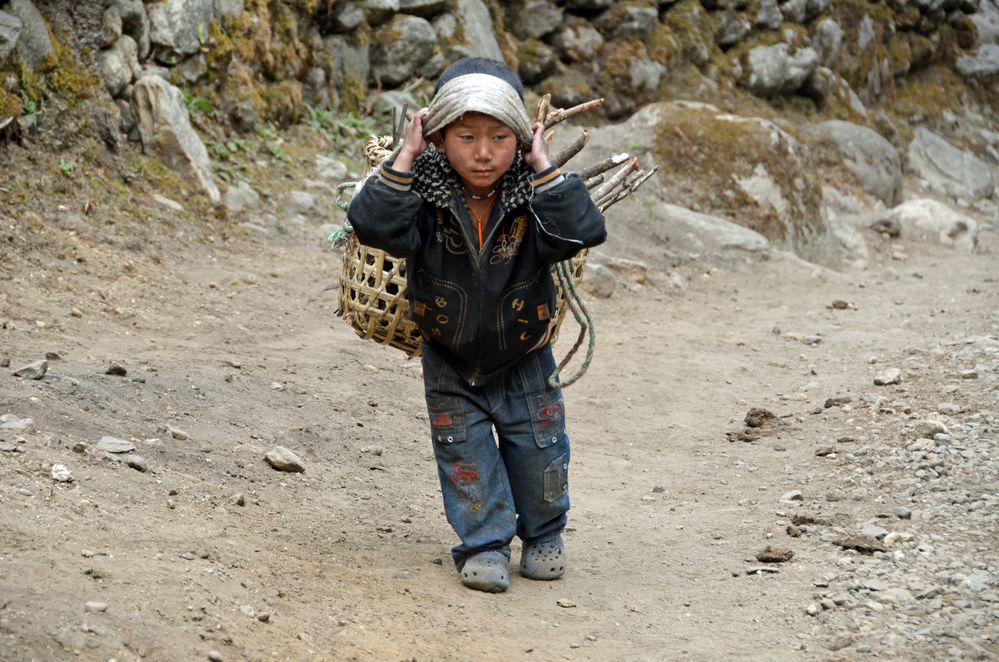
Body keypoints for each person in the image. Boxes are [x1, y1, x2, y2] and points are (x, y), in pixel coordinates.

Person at [347, 57, 606, 593]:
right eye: (465, 136)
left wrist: (542, 165)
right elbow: (370, 221)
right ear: (438, 136)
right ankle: (484, 543)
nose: (483, 153)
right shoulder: (422, 197)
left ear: (521, 137)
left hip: (526, 357)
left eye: (499, 137)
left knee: (540, 453)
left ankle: (542, 534)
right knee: (464, 457)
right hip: (450, 359)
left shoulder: (532, 199)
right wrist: (407, 153)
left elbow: (584, 229)